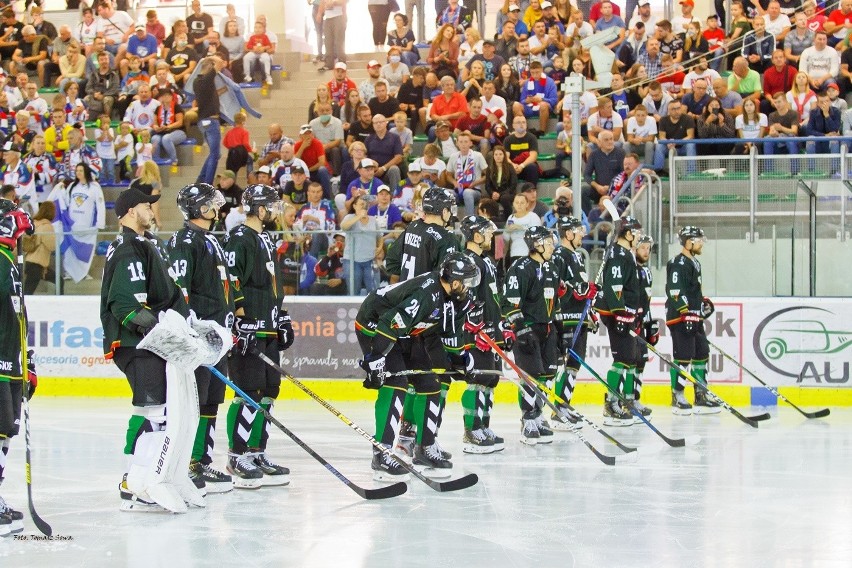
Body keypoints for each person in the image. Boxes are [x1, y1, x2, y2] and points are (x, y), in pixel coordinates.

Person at [100, 188, 190, 511]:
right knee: (151, 410)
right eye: (144, 204)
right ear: (127, 212)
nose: (151, 208)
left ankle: (147, 475)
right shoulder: (127, 248)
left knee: (159, 410)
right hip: (135, 342)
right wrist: (157, 328)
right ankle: (131, 479)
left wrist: (184, 324)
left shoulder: (145, 244)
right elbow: (124, 302)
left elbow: (166, 295)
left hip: (147, 342)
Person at [355, 251, 477, 479]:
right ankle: (381, 454)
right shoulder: (427, 294)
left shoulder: (455, 298)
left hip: (407, 331)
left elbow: (451, 334)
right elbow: (390, 323)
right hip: (377, 326)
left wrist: (462, 360)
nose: (469, 287)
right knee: (396, 382)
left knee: (430, 383)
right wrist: (376, 357)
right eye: (467, 281)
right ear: (456, 281)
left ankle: (424, 448)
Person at [224, 184, 293, 487]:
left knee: (269, 389)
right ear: (259, 208)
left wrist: (283, 317)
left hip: (268, 327)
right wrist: (240, 321)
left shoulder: (265, 238)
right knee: (247, 391)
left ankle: (256, 451)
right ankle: (237, 456)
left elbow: (272, 286)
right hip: (250, 327)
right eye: (272, 206)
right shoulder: (240, 237)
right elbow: (231, 279)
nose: (276, 211)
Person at [383, 186, 460, 459]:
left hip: (406, 313)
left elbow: (390, 264)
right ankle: (426, 443)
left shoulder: (412, 229)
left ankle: (406, 436)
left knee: (415, 379)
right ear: (444, 210)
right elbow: (451, 279)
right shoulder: (446, 237)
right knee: (436, 381)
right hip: (430, 316)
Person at [168, 184, 235, 493]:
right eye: (208, 204)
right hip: (199, 337)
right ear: (194, 208)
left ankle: (201, 460)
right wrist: (191, 324)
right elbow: (179, 288)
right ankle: (184, 464)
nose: (215, 209)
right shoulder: (184, 240)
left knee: (210, 401)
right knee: (194, 401)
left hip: (218, 337)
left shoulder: (212, 239)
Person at [501, 225, 559, 444]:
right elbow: (510, 302)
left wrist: (558, 329)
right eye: (548, 242)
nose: (552, 245)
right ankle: (528, 418)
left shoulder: (552, 268)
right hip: (528, 329)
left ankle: (538, 413)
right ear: (536, 244)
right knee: (530, 375)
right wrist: (520, 329)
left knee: (546, 375)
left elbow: (556, 302)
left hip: (547, 329)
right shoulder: (521, 267)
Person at [0, 199, 35, 532]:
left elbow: (19, 317)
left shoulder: (8, 263)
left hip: (10, 361)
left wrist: (28, 364)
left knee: (5, 430)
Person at [458, 215, 505, 453]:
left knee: (490, 379)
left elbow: (493, 299)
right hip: (475, 334)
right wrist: (475, 326)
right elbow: (465, 299)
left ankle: (484, 425)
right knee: (476, 380)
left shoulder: (485, 261)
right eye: (487, 233)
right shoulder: (466, 261)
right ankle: (471, 430)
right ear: (476, 235)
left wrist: (500, 326)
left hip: (490, 331)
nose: (490, 237)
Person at [666, 226, 720, 415]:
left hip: (693, 316)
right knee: (683, 356)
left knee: (702, 353)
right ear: (689, 242)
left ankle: (701, 394)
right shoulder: (678, 263)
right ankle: (677, 394)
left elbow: (692, 289)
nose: (701, 243)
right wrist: (685, 310)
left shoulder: (694, 262)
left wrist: (701, 302)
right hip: (680, 318)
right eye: (698, 240)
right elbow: (674, 290)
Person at [595, 216, 642, 426]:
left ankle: (623, 401)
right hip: (616, 313)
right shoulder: (617, 254)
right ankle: (611, 404)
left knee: (630, 358)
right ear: (628, 233)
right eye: (637, 232)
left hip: (625, 313)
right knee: (622, 358)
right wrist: (619, 312)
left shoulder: (625, 253)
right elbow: (614, 285)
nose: (639, 236)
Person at [550, 215, 596, 428]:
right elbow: (558, 285)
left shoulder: (575, 256)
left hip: (579, 317)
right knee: (566, 363)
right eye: (579, 231)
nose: (582, 235)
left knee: (574, 364)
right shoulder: (559, 254)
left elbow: (580, 287)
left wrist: (590, 305)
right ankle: (558, 409)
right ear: (568, 234)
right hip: (566, 318)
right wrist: (578, 292)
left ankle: (564, 405)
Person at [49, 162, 105, 282]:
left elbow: (100, 205)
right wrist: (59, 189)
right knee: (71, 250)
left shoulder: (95, 187)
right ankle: (69, 272)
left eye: (81, 170)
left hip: (88, 226)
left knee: (87, 251)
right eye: (77, 171)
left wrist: (100, 222)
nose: (78, 173)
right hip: (73, 225)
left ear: (86, 171)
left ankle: (84, 273)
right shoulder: (72, 187)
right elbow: (66, 202)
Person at [340, 194, 382, 294]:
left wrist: (379, 247)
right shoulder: (349, 217)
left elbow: (379, 237)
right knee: (354, 290)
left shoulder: (373, 220)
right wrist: (359, 216)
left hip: (370, 260)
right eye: (361, 204)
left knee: (374, 291)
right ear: (354, 206)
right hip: (352, 260)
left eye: (366, 204)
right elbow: (344, 227)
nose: (364, 206)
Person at [632, 233, 655, 418]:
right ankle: (626, 398)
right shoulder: (631, 269)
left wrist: (650, 323)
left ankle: (635, 399)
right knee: (629, 361)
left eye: (648, 248)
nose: (646, 251)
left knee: (641, 361)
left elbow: (646, 301)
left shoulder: (646, 271)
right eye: (642, 248)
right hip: (631, 322)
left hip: (642, 321)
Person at [193, 58, 222, 184]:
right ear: (210, 67)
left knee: (216, 153)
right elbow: (220, 62)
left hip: (203, 121)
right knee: (215, 155)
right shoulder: (207, 79)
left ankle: (200, 179)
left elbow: (209, 95)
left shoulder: (197, 81)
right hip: (210, 121)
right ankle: (207, 183)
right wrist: (210, 56)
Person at [443, 131, 487, 214]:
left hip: (474, 190)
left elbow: (488, 175)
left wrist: (475, 183)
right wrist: (454, 182)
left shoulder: (478, 156)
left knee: (467, 192)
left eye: (466, 142)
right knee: (444, 192)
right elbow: (448, 175)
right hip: (458, 190)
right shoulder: (453, 156)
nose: (463, 144)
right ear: (457, 143)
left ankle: (470, 220)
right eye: (461, 142)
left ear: (470, 143)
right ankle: (449, 221)